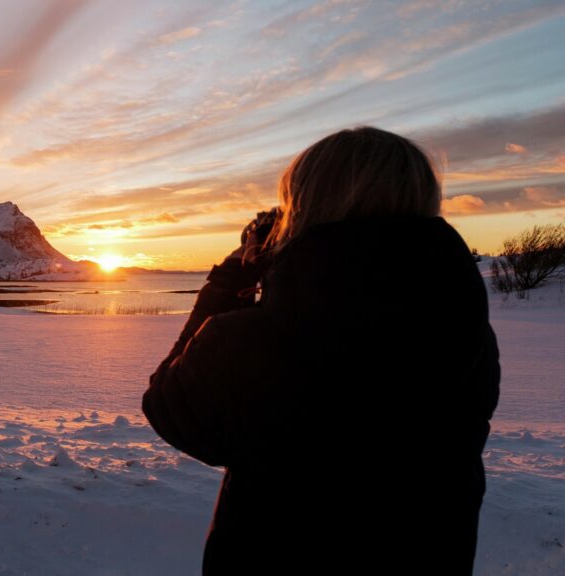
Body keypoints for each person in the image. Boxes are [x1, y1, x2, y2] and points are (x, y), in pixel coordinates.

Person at [141, 126, 500, 575]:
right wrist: (292, 272)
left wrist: (233, 278)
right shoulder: (462, 330)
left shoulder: (258, 340)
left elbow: (168, 406)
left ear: (306, 206)